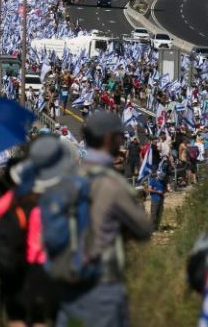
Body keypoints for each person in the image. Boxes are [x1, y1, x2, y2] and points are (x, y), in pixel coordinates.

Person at [56, 110, 153, 327]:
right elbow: (143, 228)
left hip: (67, 283)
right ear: (111, 139)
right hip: (103, 285)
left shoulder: (67, 181)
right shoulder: (113, 184)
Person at [0, 136, 73, 327]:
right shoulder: (59, 196)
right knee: (41, 319)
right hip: (44, 268)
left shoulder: (18, 194)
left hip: (16, 265)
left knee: (16, 318)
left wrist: (0, 239)